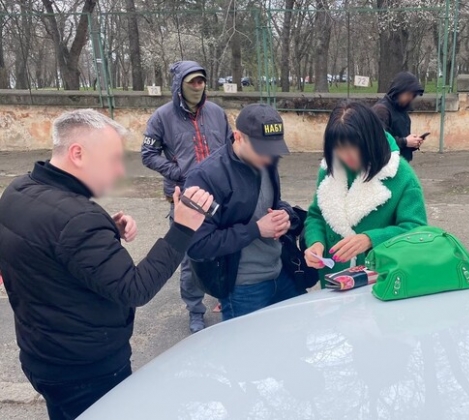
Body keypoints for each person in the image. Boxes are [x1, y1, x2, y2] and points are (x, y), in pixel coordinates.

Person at [0, 109, 213, 420]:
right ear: (77, 153)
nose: (118, 171)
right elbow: (135, 289)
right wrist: (182, 229)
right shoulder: (77, 220)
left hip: (41, 356)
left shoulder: (18, 190)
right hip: (86, 370)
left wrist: (105, 232)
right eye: (112, 159)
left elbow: (44, 248)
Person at [186, 103, 301, 320]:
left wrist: (285, 214)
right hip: (243, 287)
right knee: (247, 343)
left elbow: (271, 202)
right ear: (238, 137)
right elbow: (197, 245)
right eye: (261, 150)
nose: (268, 159)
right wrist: (255, 230)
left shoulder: (267, 162)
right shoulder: (205, 177)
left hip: (280, 271)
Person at [141, 60, 232, 333]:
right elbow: (148, 154)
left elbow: (230, 147)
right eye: (192, 81)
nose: (197, 86)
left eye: (201, 81)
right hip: (185, 199)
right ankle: (195, 309)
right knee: (191, 259)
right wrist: (178, 172)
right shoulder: (162, 117)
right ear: (179, 85)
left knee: (225, 249)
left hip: (219, 195)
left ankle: (224, 296)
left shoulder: (216, 113)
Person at [303, 102, 428, 284]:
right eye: (339, 148)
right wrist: (315, 242)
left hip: (382, 281)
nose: (346, 156)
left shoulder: (402, 176)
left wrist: (371, 239)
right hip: (334, 282)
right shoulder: (329, 169)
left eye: (354, 147)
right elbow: (316, 215)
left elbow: (417, 231)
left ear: (371, 140)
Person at [372, 71, 425, 162]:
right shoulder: (381, 110)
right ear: (398, 92)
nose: (411, 98)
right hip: (386, 165)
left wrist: (413, 143)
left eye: (413, 96)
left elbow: (401, 138)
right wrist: (405, 142)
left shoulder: (401, 109)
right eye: (408, 94)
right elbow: (378, 141)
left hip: (400, 163)